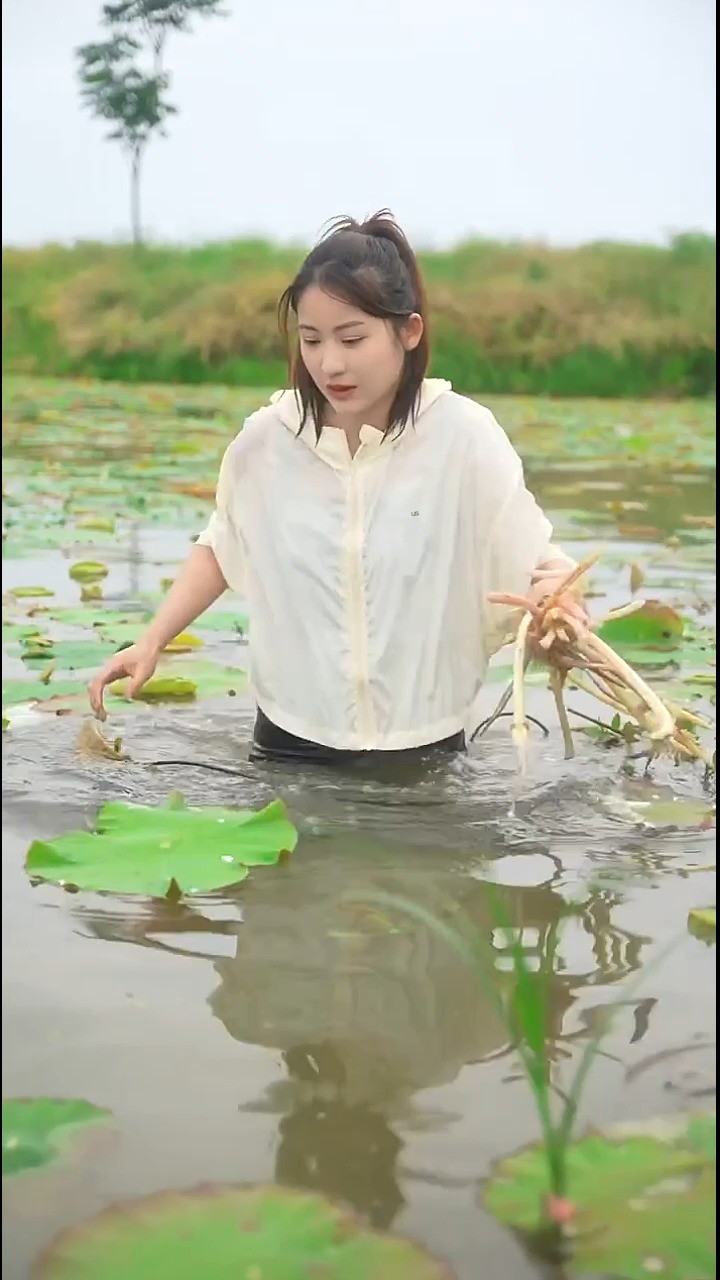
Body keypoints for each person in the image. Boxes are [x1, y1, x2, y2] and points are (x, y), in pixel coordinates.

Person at [88, 210, 585, 763]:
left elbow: (534, 557)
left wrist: (556, 606)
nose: (330, 363)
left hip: (422, 745)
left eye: (352, 339)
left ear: (409, 331)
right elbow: (225, 542)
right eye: (311, 339)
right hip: (289, 741)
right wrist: (153, 638)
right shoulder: (268, 440)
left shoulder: (463, 437)